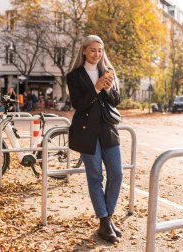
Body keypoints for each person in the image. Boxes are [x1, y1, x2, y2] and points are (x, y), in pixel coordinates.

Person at [66, 35, 122, 243]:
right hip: (86, 131)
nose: (97, 54)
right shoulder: (74, 76)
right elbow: (79, 105)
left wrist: (107, 86)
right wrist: (97, 87)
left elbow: (116, 101)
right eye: (92, 50)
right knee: (96, 176)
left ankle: (108, 217)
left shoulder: (107, 71)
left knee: (117, 173)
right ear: (84, 51)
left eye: (100, 50)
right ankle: (104, 221)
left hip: (108, 129)